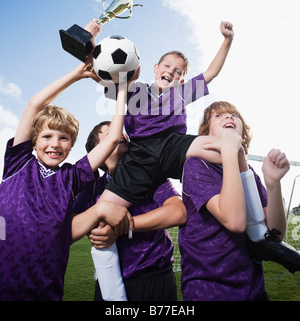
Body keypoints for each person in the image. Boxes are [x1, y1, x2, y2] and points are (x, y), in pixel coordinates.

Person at [89, 21, 234, 299]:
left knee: (226, 147)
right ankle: (113, 296)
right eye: (167, 65)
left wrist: (227, 39)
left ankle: (256, 232)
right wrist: (93, 44)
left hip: (173, 147)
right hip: (140, 155)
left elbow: (212, 72)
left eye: (178, 71)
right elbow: (102, 73)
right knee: (101, 218)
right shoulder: (133, 89)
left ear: (182, 80)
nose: (172, 71)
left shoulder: (182, 93)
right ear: (155, 68)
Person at [0, 21, 134, 301]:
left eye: (63, 139)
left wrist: (122, 89)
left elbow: (110, 141)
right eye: (47, 136)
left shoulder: (71, 178)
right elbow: (34, 105)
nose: (54, 144)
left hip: (45, 289)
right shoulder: (18, 164)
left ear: (71, 145)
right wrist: (77, 74)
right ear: (34, 141)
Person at [178, 101, 294, 301]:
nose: (229, 117)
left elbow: (275, 234)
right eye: (219, 116)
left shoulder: (249, 174)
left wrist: (272, 183)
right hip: (208, 288)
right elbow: (234, 221)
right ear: (206, 132)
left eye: (234, 115)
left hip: (252, 286)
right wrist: (230, 151)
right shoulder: (196, 165)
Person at [72, 121, 187, 301]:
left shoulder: (150, 173)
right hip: (108, 279)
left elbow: (178, 212)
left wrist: (122, 227)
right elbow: (71, 226)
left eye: (122, 131)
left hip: (154, 279)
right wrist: (91, 227)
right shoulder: (92, 187)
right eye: (111, 133)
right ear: (98, 150)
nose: (123, 134)